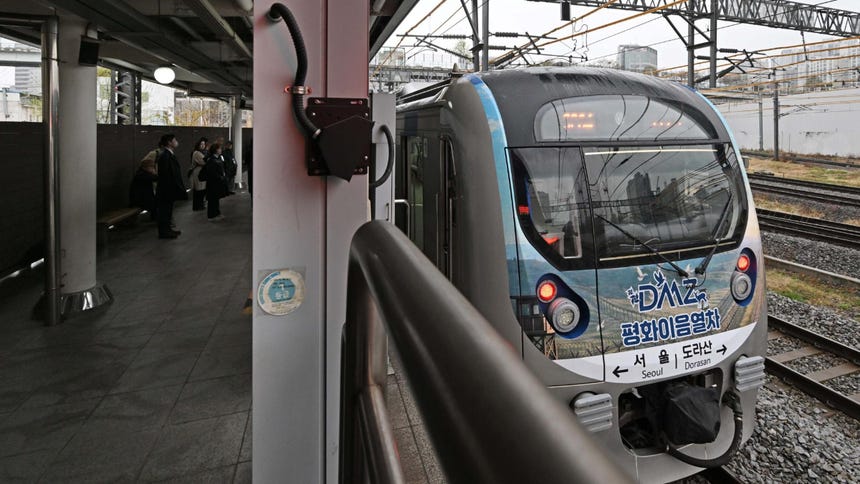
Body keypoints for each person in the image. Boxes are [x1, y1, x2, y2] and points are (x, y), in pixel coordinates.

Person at [156, 134, 186, 239]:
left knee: (168, 211)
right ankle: (164, 232)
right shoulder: (165, 156)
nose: (176, 141)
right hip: (166, 188)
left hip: (168, 188)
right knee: (164, 211)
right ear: (169, 142)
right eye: (174, 140)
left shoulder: (168, 155)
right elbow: (165, 174)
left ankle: (168, 230)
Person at [129, 139, 162, 220]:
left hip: (142, 198)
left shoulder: (142, 173)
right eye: (151, 167)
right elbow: (156, 178)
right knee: (156, 203)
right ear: (146, 167)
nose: (152, 168)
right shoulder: (142, 175)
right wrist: (154, 173)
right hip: (139, 200)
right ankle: (156, 219)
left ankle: (155, 218)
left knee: (156, 202)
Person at [203, 143, 228, 221]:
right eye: (219, 148)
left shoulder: (216, 158)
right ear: (216, 150)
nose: (221, 150)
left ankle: (216, 213)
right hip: (213, 183)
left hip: (216, 183)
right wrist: (221, 177)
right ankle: (211, 216)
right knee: (212, 200)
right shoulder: (212, 160)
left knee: (215, 199)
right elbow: (212, 173)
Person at [189, 137, 208, 211]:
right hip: (198, 173)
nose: (203, 145)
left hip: (200, 172)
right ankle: (198, 206)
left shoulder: (201, 152)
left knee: (200, 190)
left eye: (204, 144)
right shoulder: (197, 153)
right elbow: (204, 162)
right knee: (199, 190)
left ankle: (200, 205)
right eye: (201, 144)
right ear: (198, 145)